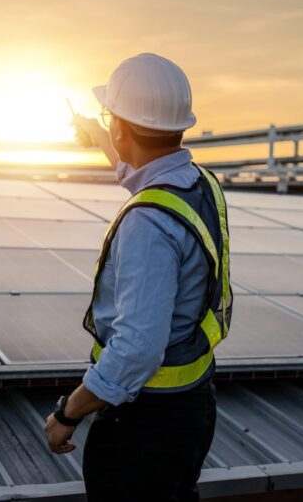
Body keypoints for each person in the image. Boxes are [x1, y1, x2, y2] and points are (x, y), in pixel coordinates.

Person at [45, 54, 233, 501]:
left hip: (144, 427)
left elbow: (136, 348)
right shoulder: (199, 183)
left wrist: (67, 413)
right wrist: (99, 136)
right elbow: (143, 174)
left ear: (122, 125)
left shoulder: (147, 225)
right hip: (191, 407)